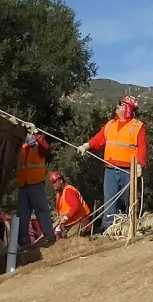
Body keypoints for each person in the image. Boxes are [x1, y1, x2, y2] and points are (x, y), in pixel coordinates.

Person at [77, 96, 147, 231]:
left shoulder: (137, 126)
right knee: (110, 200)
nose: (118, 107)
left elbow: (142, 147)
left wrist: (140, 165)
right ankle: (108, 229)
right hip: (110, 170)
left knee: (129, 200)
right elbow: (99, 139)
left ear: (127, 108)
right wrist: (86, 146)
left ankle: (129, 226)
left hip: (128, 171)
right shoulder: (110, 125)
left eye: (121, 105)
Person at [15, 128, 56, 248]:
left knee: (42, 211)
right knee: (22, 215)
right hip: (23, 184)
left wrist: (37, 137)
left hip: (36, 182)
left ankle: (50, 237)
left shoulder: (38, 142)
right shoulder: (19, 146)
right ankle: (24, 243)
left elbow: (47, 149)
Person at [50, 170, 91, 237]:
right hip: (70, 224)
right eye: (52, 183)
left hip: (80, 221)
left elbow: (76, 205)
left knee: (70, 239)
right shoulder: (59, 195)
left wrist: (66, 217)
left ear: (60, 181)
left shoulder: (68, 191)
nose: (53, 184)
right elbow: (61, 214)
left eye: (55, 182)